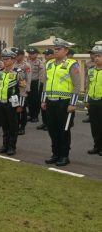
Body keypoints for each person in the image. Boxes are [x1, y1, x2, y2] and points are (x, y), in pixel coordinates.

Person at [41, 38, 80, 166]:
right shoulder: (49, 64)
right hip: (50, 101)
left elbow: (76, 85)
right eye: (55, 49)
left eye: (59, 49)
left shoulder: (71, 64)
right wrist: (43, 100)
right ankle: (55, 153)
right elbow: (45, 83)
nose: (56, 51)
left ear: (66, 50)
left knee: (64, 130)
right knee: (52, 129)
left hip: (64, 102)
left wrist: (73, 103)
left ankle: (64, 155)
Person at [0, 49, 26, 156]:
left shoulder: (18, 72)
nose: (4, 60)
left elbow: (23, 89)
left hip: (12, 103)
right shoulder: (0, 72)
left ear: (13, 59)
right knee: (4, 125)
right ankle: (5, 145)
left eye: (7, 59)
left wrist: (20, 105)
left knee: (13, 126)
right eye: (3, 58)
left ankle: (12, 147)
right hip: (1, 102)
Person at [85, 45, 102, 156]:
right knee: (95, 126)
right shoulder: (91, 70)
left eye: (99, 56)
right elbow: (88, 86)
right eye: (95, 56)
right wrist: (87, 100)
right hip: (93, 101)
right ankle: (97, 146)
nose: (96, 58)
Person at [13, 48, 31, 135]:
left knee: (22, 109)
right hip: (14, 90)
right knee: (15, 108)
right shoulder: (13, 64)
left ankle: (22, 127)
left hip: (22, 90)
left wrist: (26, 90)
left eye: (17, 55)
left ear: (22, 56)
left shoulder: (26, 65)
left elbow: (28, 78)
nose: (16, 56)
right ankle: (16, 125)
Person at [37, 49, 54, 131]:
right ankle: (44, 122)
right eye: (45, 55)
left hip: (49, 87)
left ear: (52, 55)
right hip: (42, 85)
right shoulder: (44, 63)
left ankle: (49, 123)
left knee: (48, 106)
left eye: (47, 55)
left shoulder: (54, 64)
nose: (45, 56)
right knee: (42, 104)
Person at [26, 48, 44, 122]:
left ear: (36, 54)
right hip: (28, 83)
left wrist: (40, 85)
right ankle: (31, 114)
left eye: (32, 53)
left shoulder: (40, 63)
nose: (30, 55)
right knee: (29, 100)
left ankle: (35, 116)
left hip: (35, 83)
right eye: (29, 53)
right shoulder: (27, 62)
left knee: (35, 100)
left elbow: (41, 75)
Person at [83, 50, 96, 123]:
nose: (91, 55)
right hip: (89, 85)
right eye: (90, 54)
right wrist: (85, 84)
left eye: (93, 54)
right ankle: (90, 116)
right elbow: (86, 75)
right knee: (88, 102)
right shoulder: (87, 64)